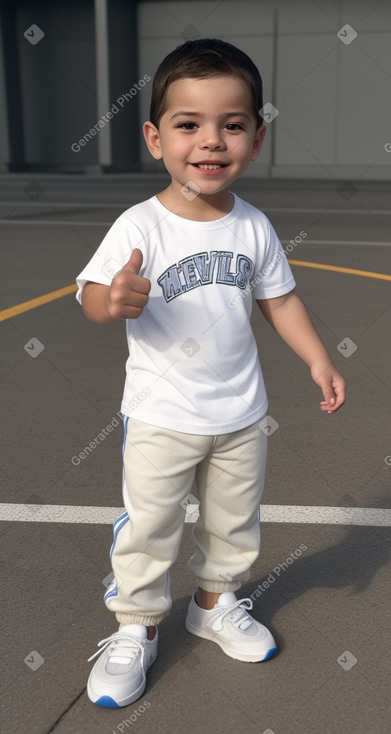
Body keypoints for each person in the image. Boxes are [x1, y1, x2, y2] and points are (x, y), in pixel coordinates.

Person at [76, 38, 345, 709]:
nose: (210, 140)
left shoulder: (252, 227)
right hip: (162, 415)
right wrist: (113, 299)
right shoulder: (141, 224)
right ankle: (135, 626)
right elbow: (88, 294)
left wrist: (316, 357)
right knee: (150, 526)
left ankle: (213, 604)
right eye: (187, 124)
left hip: (240, 415)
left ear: (256, 138)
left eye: (232, 124)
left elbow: (278, 300)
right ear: (153, 137)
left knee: (233, 523)